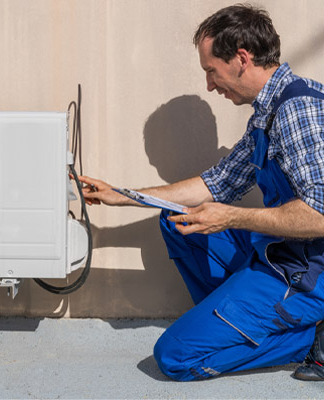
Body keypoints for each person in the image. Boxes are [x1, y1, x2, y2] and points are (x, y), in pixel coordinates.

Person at [79, 4, 324, 381]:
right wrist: (122, 194)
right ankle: (235, 321)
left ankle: (309, 339)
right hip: (278, 254)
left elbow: (319, 215)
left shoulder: (296, 110)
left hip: (307, 276)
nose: (210, 85)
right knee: (174, 219)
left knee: (175, 356)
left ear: (242, 58)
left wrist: (232, 216)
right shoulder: (268, 112)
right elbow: (216, 183)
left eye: (211, 71)